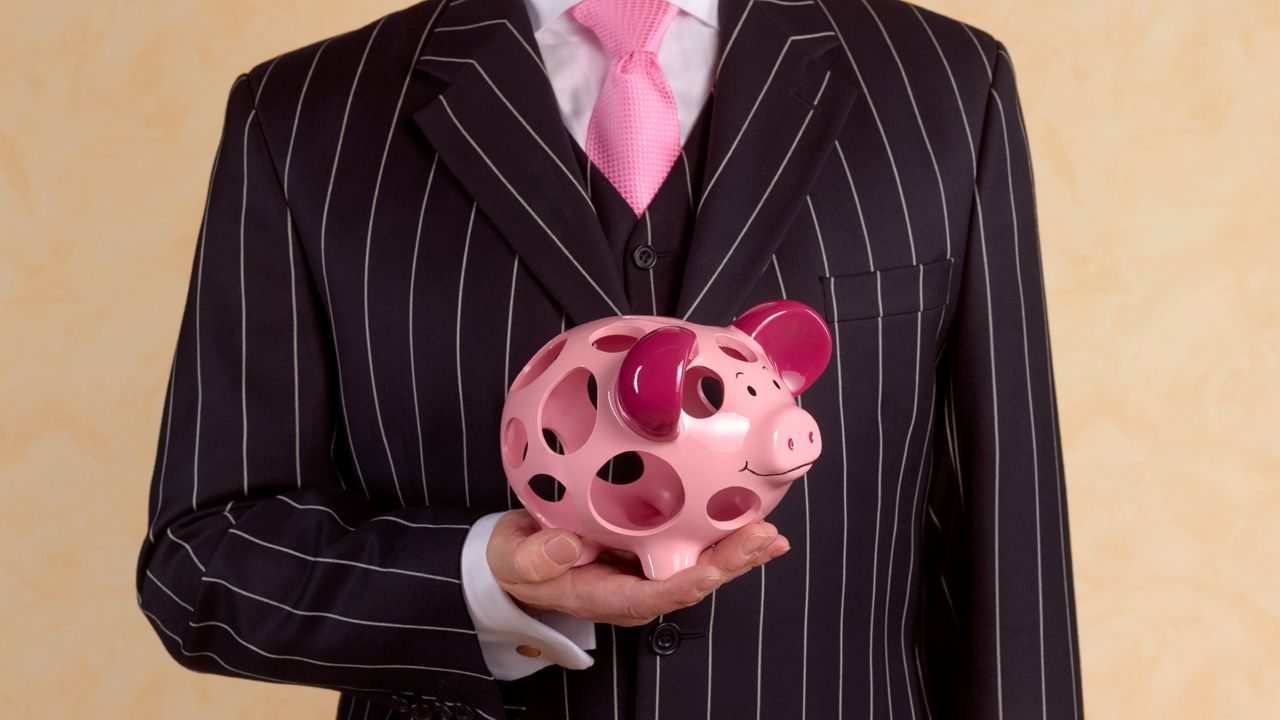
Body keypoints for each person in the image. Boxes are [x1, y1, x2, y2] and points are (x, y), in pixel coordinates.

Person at [135, 0, 1083, 717]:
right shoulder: (306, 115)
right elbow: (203, 558)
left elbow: (1008, 535)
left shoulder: (944, 85)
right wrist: (482, 580)